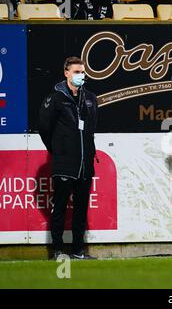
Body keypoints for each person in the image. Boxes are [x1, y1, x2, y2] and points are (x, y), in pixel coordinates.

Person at [39, 57, 98, 260]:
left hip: (85, 163)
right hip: (64, 162)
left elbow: (91, 128)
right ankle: (57, 250)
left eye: (82, 72)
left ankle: (78, 251)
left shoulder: (90, 98)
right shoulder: (55, 98)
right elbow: (44, 128)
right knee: (60, 207)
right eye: (76, 71)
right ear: (66, 73)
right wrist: (58, 149)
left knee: (81, 210)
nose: (80, 75)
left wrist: (88, 152)